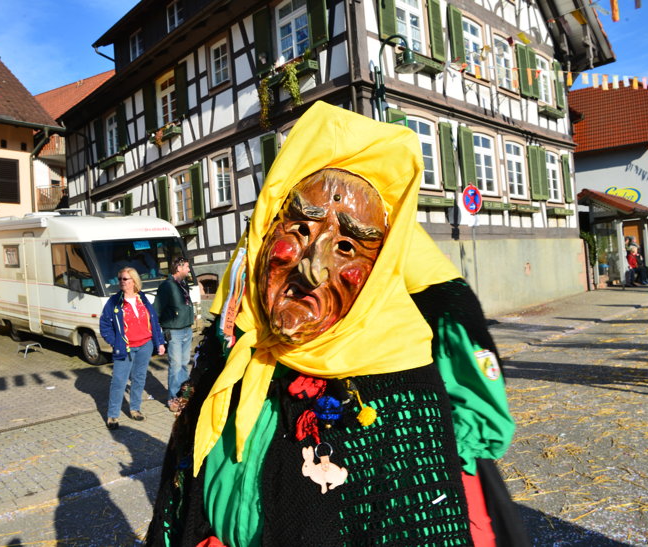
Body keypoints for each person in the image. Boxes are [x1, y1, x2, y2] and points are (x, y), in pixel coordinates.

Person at [145, 103, 526, 546]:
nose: (312, 268)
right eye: (301, 231)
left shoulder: (399, 395)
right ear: (265, 234)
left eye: (346, 246)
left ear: (380, 272)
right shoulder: (237, 359)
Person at [99, 267, 166, 429]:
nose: (121, 281)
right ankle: (113, 416)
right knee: (119, 381)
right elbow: (104, 325)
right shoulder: (114, 301)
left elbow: (154, 321)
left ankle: (135, 409)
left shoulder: (142, 298)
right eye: (120, 278)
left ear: (134, 281)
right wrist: (116, 342)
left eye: (125, 279)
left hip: (145, 345)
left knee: (139, 378)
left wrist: (160, 342)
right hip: (125, 348)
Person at [156, 257, 195, 413]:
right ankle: (173, 398)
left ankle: (184, 396)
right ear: (178, 268)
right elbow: (157, 309)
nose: (188, 269)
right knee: (176, 365)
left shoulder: (183, 284)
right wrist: (163, 330)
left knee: (184, 364)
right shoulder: (167, 286)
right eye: (186, 266)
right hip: (174, 331)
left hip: (186, 328)